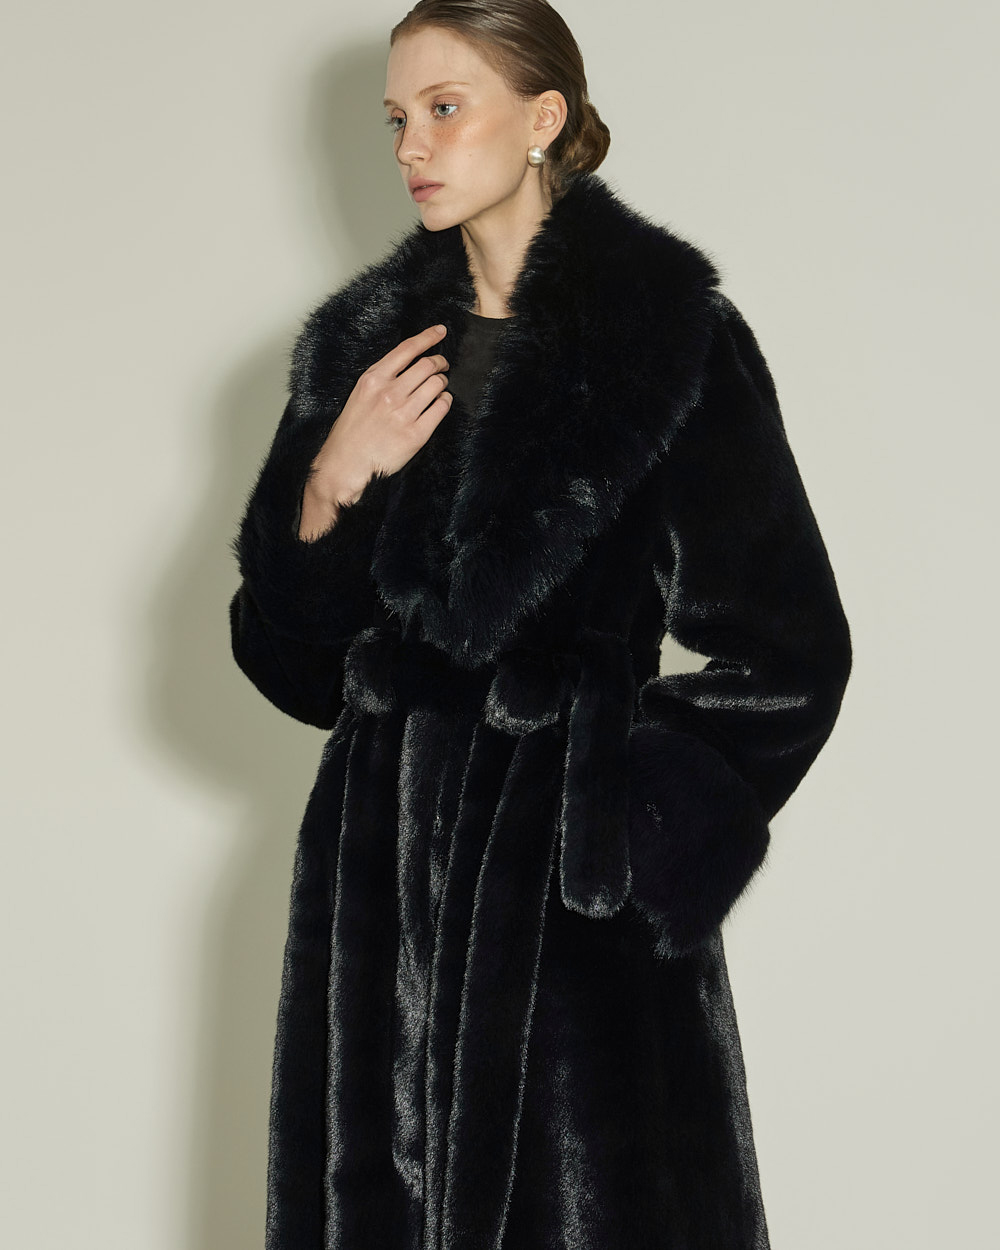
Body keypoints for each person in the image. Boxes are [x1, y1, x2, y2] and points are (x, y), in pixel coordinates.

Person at [228, 2, 853, 1247]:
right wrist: (329, 487)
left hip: (566, 910)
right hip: (376, 897)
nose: (411, 145)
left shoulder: (668, 339)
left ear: (542, 118)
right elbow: (297, 674)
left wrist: (616, 835)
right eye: (396, 118)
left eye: (444, 108)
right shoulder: (363, 357)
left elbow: (790, 651)